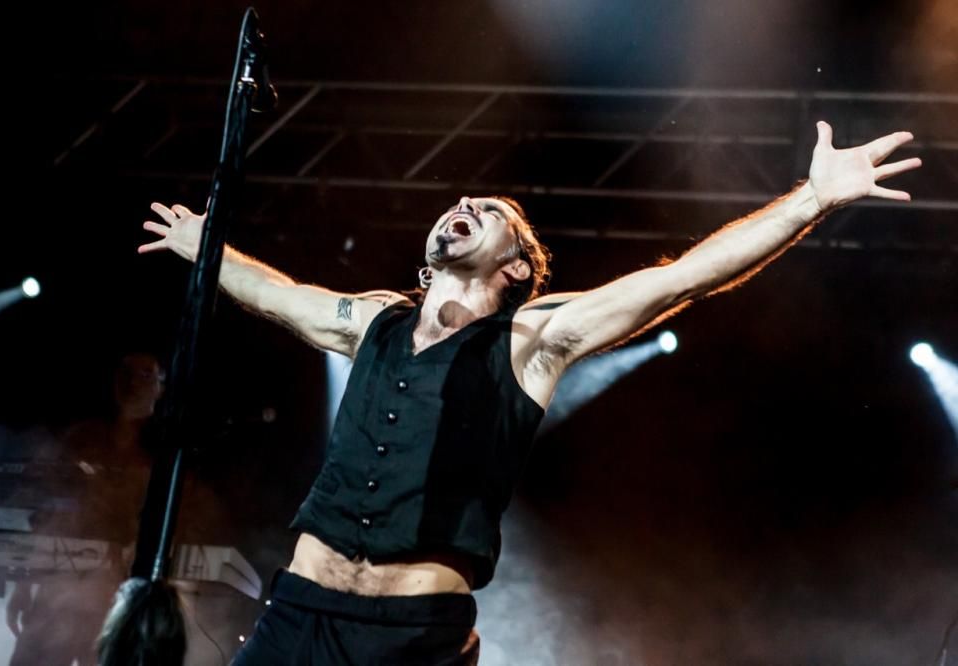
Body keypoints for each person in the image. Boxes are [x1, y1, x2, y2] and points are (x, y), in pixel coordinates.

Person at [139, 121, 920, 664]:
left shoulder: (533, 340)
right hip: (297, 616)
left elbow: (681, 280)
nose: (466, 206)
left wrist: (812, 200)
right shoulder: (373, 320)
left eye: (491, 212)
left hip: (412, 634)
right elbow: (283, 296)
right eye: (460, 204)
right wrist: (207, 248)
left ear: (516, 266)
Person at [6, 353, 164, 666]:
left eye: (146, 374)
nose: (133, 382)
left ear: (162, 386)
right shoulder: (85, 436)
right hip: (56, 595)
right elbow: (48, 513)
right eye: (126, 372)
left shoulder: (166, 450)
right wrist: (24, 584)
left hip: (119, 601)